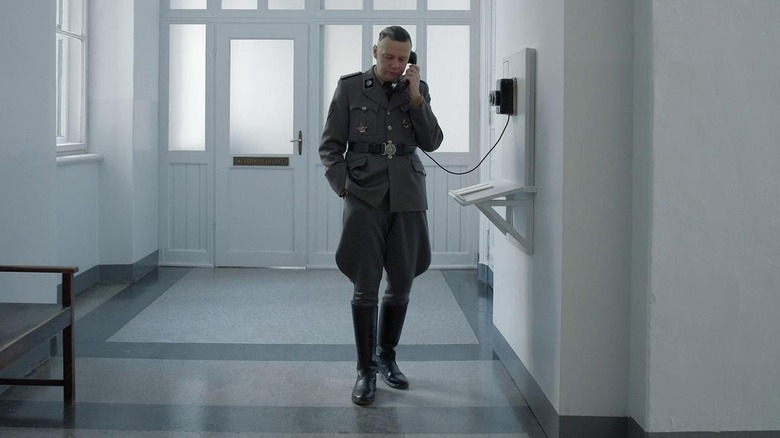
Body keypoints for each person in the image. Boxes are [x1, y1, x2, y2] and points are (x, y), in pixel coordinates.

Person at [319, 26, 444, 406]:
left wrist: (416, 98)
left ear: (411, 59)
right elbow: (329, 146)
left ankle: (387, 356)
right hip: (364, 195)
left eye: (402, 58)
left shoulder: (415, 91)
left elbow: (432, 141)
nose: (394, 64)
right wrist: (344, 187)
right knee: (365, 285)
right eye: (388, 56)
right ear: (375, 51)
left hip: (407, 195)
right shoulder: (351, 87)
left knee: (402, 281)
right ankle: (365, 370)